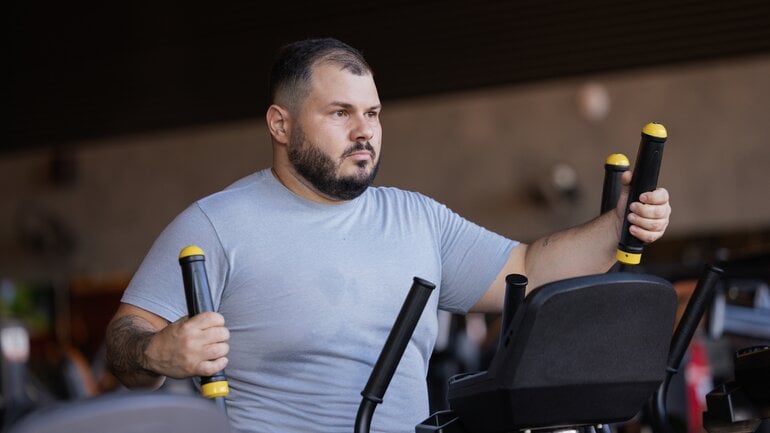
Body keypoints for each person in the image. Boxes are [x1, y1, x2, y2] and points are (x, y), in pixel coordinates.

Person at [105, 37, 672, 433]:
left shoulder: (417, 218)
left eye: (373, 113)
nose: (364, 131)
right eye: (340, 113)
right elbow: (124, 340)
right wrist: (158, 350)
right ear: (280, 124)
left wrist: (616, 225)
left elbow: (527, 266)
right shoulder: (216, 223)